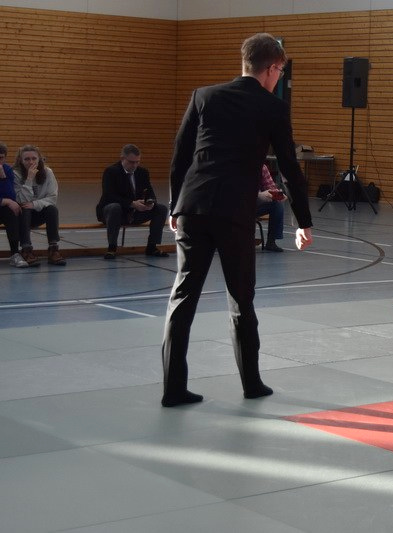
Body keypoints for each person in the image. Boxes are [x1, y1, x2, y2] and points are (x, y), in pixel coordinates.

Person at [161, 32, 313, 408]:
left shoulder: (204, 96)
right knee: (241, 299)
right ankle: (251, 383)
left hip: (193, 207)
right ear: (272, 68)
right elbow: (289, 168)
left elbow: (180, 155)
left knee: (182, 297)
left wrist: (174, 206)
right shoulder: (272, 107)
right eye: (280, 71)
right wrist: (303, 221)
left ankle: (173, 389)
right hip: (234, 212)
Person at [96, 144, 169, 259]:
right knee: (115, 207)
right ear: (122, 159)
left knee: (161, 209)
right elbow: (109, 195)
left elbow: (150, 192)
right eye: (131, 162)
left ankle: (152, 247)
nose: (134, 165)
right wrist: (131, 203)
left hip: (135, 212)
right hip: (113, 212)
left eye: (137, 162)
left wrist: (150, 203)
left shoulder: (143, 172)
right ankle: (112, 248)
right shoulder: (111, 171)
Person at [13, 145, 65, 266]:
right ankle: (26, 249)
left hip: (38, 213)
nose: (31, 162)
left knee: (52, 209)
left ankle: (53, 249)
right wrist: (29, 179)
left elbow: (52, 198)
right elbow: (20, 199)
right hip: (21, 216)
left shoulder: (48, 172)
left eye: (34, 158)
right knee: (25, 208)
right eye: (26, 159)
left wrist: (34, 204)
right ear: (20, 160)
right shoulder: (15, 174)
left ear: (39, 159)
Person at [0, 142, 27, 268]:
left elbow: (10, 195)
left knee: (13, 211)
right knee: (9, 204)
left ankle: (15, 253)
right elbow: (8, 200)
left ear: (5, 158)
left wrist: (3, 178)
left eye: (1, 158)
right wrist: (6, 201)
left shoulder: (7, 170)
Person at [256, 163, 286, 252]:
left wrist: (278, 194)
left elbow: (271, 187)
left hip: (254, 205)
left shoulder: (262, 167)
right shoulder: (236, 165)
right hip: (236, 205)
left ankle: (271, 242)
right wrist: (259, 195)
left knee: (277, 204)